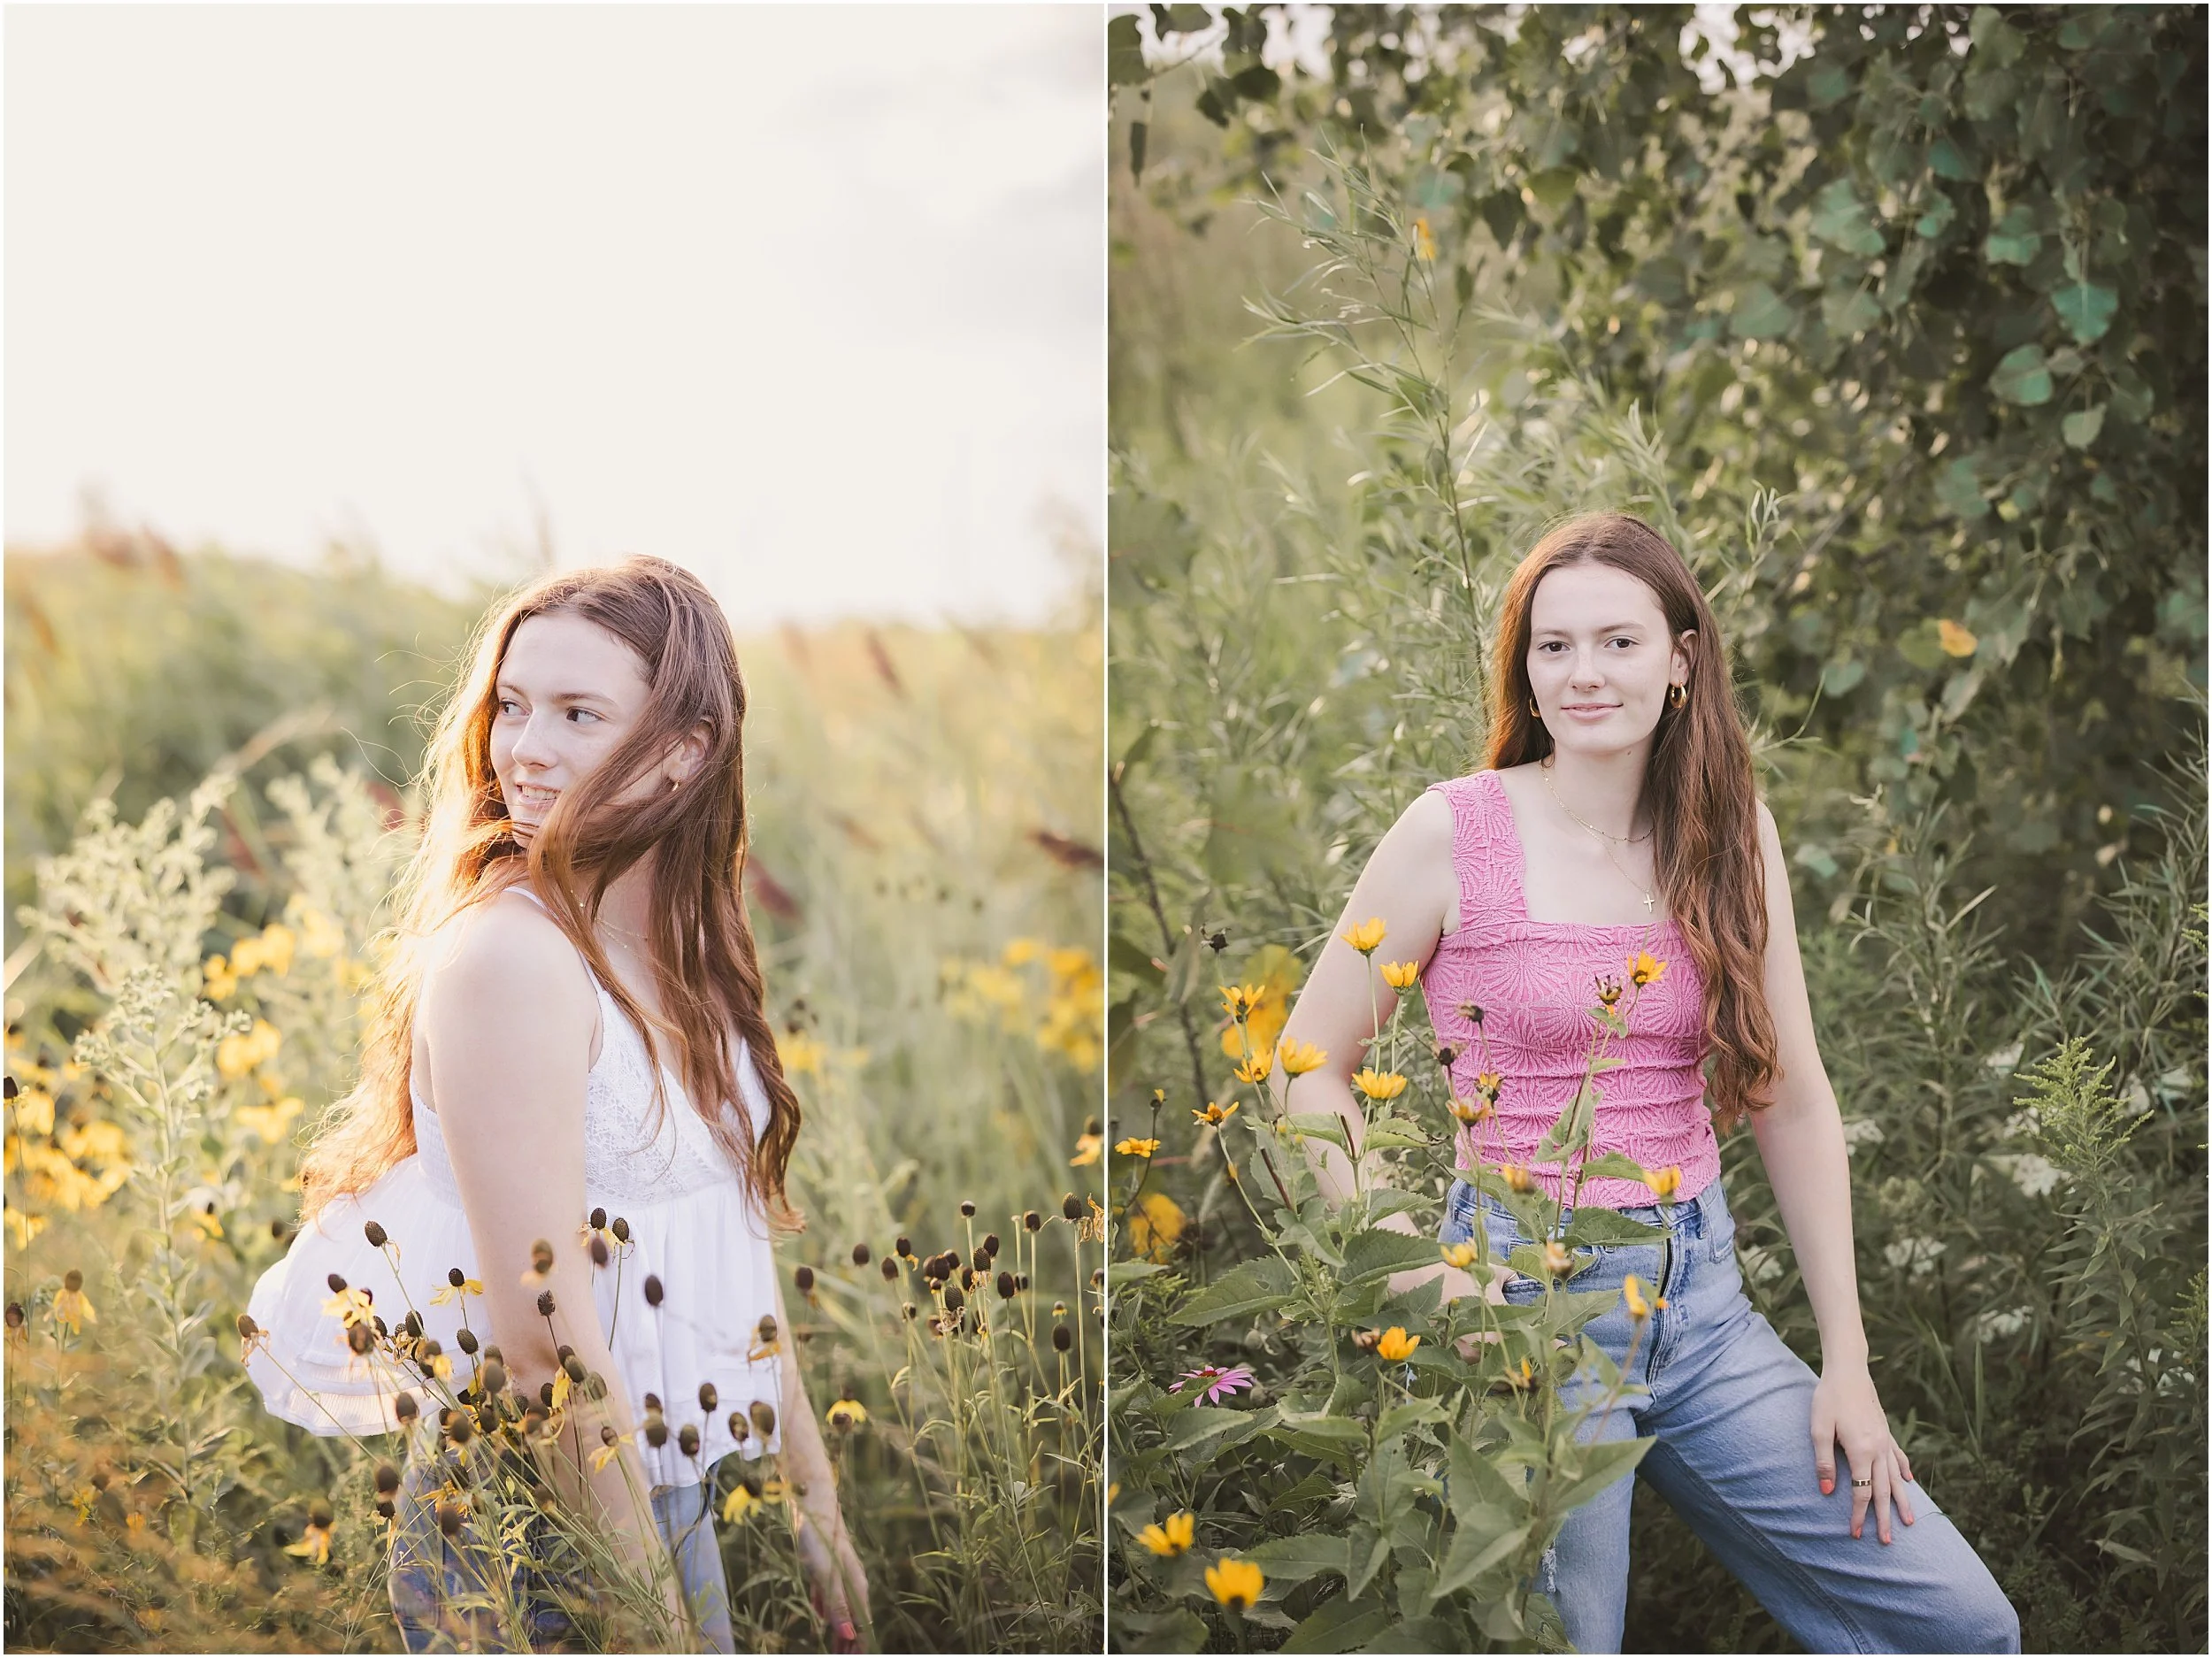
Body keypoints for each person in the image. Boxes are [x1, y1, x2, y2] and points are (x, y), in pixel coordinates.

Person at [1269, 512, 2018, 1654]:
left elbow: (1791, 1094)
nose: (1582, 673)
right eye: (1553, 645)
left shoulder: (1729, 837)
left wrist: (1847, 1364)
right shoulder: (1451, 832)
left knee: (1961, 1627)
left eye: (1617, 641)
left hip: (1703, 1308)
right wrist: (1425, 1274)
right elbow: (1307, 1062)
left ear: (1680, 659)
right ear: (1523, 664)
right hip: (1522, 1311)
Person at [243, 557, 868, 1653]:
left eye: (578, 713)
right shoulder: (511, 961)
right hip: (533, 1514)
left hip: (653, 1483)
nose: (524, 748)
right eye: (513, 705)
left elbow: (734, 1231)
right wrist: (653, 1625)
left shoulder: (682, 940)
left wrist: (817, 1501)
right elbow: (544, 1354)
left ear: (686, 751)